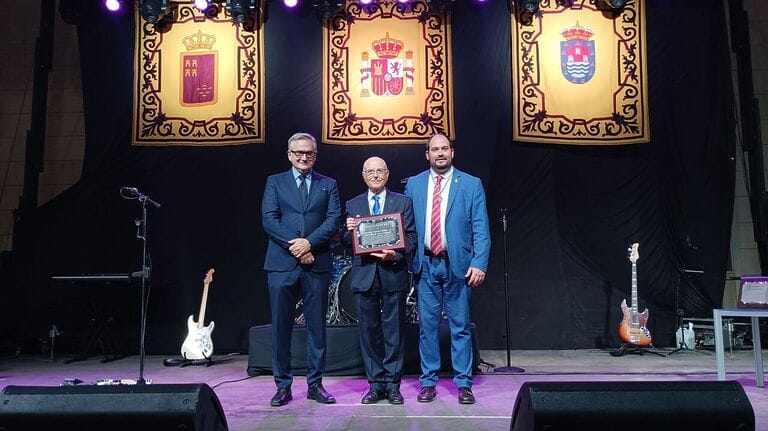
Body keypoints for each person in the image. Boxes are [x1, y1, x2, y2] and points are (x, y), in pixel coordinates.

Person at [404, 133, 490, 405]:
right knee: (427, 328)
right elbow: (404, 223)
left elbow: (481, 227)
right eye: (435, 149)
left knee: (460, 327)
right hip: (426, 264)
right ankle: (428, 382)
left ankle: (463, 383)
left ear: (452, 152)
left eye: (444, 148)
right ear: (427, 154)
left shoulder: (471, 184)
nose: (440, 153)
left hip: (459, 266)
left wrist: (479, 262)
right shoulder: (414, 184)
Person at [262, 132, 341, 407]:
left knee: (317, 328)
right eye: (298, 152)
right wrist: (295, 246)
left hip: (317, 262)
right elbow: (269, 220)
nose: (303, 157)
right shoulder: (275, 182)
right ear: (289, 154)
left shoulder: (328, 184)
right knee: (281, 328)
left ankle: (315, 385)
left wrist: (309, 243)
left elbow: (333, 219)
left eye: (308, 153)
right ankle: (282, 386)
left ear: (315, 155)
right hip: (281, 264)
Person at [342, 157, 417, 405]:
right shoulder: (353, 204)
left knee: (394, 332)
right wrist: (348, 231)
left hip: (393, 273)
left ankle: (393, 385)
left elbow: (412, 238)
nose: (375, 175)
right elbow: (346, 242)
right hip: (364, 275)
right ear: (363, 175)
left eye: (379, 171)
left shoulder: (403, 202)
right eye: (370, 171)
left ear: (387, 174)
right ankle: (375, 385)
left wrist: (395, 255)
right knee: (368, 332)